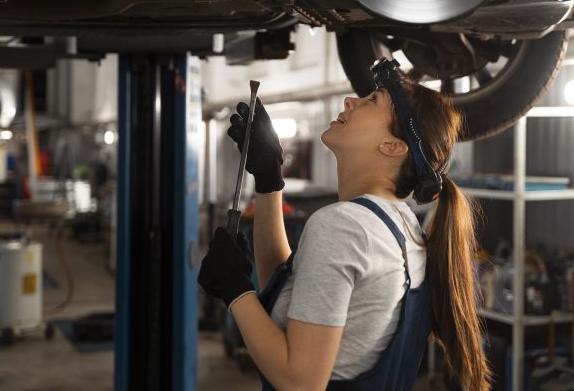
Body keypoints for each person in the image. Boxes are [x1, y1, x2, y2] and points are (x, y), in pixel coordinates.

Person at [198, 58, 491, 390]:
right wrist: (269, 180)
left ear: (393, 146)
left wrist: (235, 289)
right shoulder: (401, 227)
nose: (350, 101)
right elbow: (296, 298)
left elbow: (300, 382)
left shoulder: (345, 227)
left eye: (371, 102)